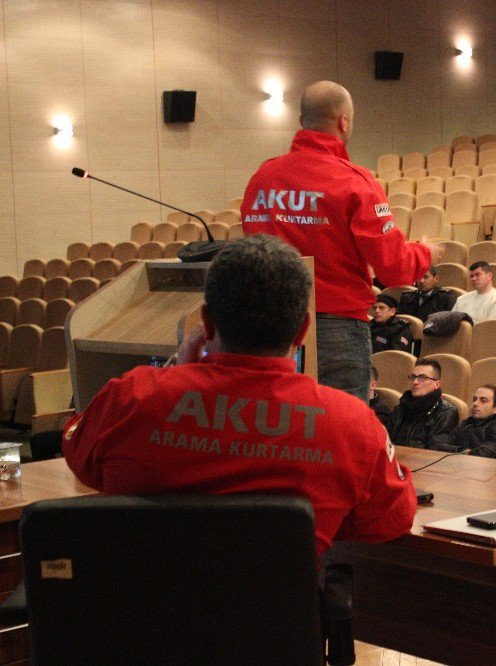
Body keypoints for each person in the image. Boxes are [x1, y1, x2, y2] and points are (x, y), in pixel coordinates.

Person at [61, 235, 416, 560]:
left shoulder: (132, 395)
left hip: (137, 625)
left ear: (207, 323)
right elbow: (390, 520)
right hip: (272, 628)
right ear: (303, 330)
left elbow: (83, 463)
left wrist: (176, 376)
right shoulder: (352, 424)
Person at [241, 80, 432, 402]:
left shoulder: (263, 178)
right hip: (335, 328)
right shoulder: (353, 181)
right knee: (337, 430)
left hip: (269, 327)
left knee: (277, 424)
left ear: (302, 121)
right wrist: (425, 253)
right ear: (344, 122)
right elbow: (396, 269)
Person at [385, 359, 459, 450]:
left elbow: (436, 450)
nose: (415, 382)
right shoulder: (400, 408)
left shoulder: (446, 413)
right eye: (413, 377)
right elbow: (385, 441)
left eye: (422, 378)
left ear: (437, 384)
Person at [449, 385, 496, 456]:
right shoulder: (468, 422)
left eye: (483, 400)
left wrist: (455, 450)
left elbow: (483, 456)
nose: (475, 403)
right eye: (474, 399)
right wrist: (462, 450)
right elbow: (440, 444)